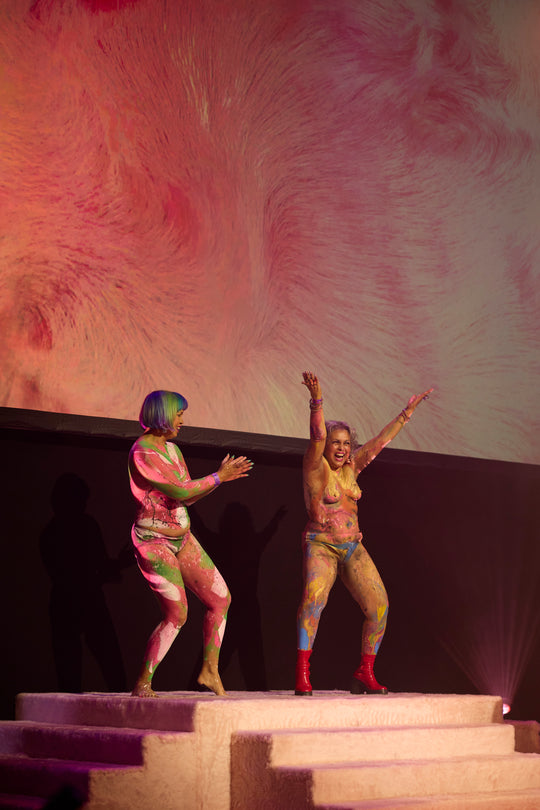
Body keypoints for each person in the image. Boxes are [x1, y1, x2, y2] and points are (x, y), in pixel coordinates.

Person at [296, 371, 433, 696]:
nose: (342, 448)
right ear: (326, 446)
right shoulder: (315, 467)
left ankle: (365, 671)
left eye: (346, 443)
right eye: (336, 443)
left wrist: (406, 414)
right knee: (314, 600)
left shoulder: (352, 468)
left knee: (379, 606)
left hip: (352, 549)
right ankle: (302, 672)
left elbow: (380, 442)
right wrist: (316, 401)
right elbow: (316, 435)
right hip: (322, 546)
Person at [128, 389, 253, 698]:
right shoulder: (143, 452)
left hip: (181, 538)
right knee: (177, 613)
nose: (182, 420)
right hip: (154, 541)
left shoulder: (173, 450)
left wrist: (220, 479)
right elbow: (180, 491)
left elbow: (189, 496)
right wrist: (218, 477)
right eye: (179, 414)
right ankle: (143, 682)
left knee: (221, 599)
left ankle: (209, 670)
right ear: (163, 415)